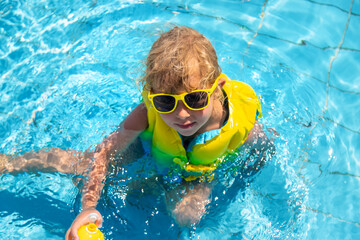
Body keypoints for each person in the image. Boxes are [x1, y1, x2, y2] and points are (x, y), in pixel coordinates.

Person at [0, 26, 272, 239]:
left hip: (197, 173)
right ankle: (9, 163)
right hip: (146, 149)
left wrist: (255, 160)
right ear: (152, 96)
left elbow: (260, 145)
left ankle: (151, 187)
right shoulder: (146, 114)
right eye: (166, 102)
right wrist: (88, 207)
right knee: (83, 165)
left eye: (196, 99)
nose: (182, 114)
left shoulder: (237, 122)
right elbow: (104, 153)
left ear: (218, 88)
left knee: (188, 215)